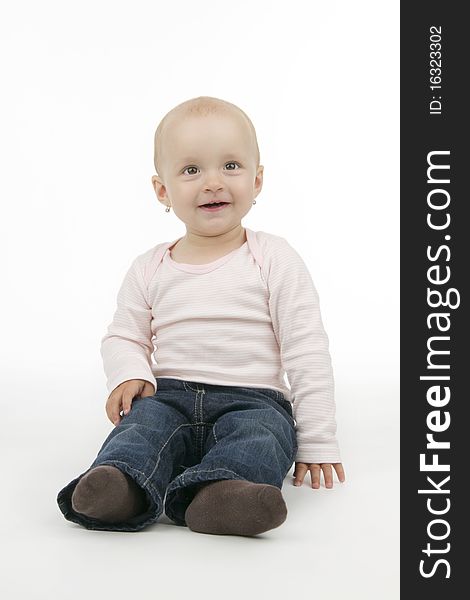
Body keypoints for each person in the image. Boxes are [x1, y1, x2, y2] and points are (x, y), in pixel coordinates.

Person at [56, 96, 346, 536]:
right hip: (167, 395)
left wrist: (319, 439)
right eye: (191, 170)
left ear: (258, 179)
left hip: (253, 398)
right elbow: (124, 335)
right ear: (162, 191)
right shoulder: (149, 266)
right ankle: (123, 486)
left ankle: (222, 495)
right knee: (140, 430)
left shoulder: (273, 257)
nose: (213, 183)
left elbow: (306, 347)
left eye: (230, 166)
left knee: (263, 436)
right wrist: (129, 373)